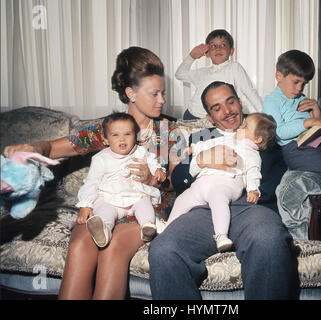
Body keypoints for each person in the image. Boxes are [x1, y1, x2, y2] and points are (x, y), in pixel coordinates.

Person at [3, 46, 186, 299]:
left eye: (163, 93)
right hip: (103, 206)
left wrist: (153, 179)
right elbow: (53, 148)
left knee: (112, 250)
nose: (162, 100)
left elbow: (178, 187)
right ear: (131, 93)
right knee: (79, 245)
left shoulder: (169, 132)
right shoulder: (107, 129)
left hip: (144, 208)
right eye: (154, 94)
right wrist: (30, 148)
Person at [149, 81, 297, 299]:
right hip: (203, 209)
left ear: (239, 102)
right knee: (163, 249)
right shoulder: (200, 137)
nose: (227, 111)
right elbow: (178, 179)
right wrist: (201, 160)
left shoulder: (261, 129)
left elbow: (278, 172)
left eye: (230, 102)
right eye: (217, 108)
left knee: (268, 238)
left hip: (250, 208)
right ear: (209, 117)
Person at [262, 49, 321, 261]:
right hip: (296, 150)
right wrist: (309, 121)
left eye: (304, 83)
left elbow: (315, 129)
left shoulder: (301, 99)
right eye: (295, 82)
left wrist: (320, 117)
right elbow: (279, 132)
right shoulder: (272, 101)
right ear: (278, 76)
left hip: (315, 147)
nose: (300, 88)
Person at [166, 112, 277, 252]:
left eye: (246, 126)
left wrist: (253, 189)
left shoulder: (251, 154)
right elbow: (209, 144)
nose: (240, 127)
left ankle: (221, 235)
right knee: (182, 199)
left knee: (219, 201)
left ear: (257, 139)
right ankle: (168, 226)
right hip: (202, 182)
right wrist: (194, 149)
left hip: (226, 184)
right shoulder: (227, 139)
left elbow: (253, 173)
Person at [76, 112, 167, 247]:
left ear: (135, 136)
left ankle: (147, 227)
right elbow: (91, 182)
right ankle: (103, 231)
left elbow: (152, 161)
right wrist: (85, 204)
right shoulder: (101, 159)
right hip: (110, 197)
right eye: (115, 135)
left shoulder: (140, 151)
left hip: (136, 195)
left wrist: (158, 170)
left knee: (145, 203)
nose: (122, 139)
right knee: (104, 210)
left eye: (127, 134)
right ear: (106, 139)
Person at [175, 29, 262, 120]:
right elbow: (179, 74)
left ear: (231, 51)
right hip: (191, 115)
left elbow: (250, 92)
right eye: (213, 46)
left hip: (213, 121)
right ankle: (162, 132)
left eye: (223, 45)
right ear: (207, 53)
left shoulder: (234, 67)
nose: (218, 48)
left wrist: (266, 116)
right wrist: (192, 56)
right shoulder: (202, 72)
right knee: (165, 130)